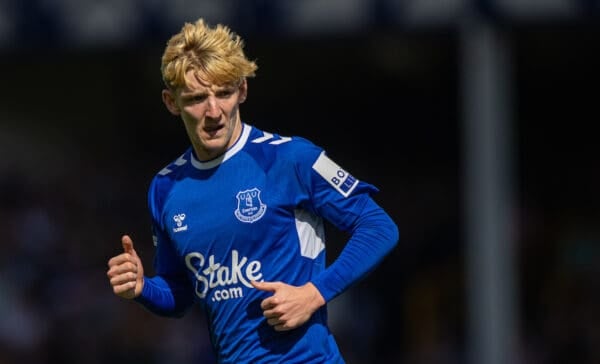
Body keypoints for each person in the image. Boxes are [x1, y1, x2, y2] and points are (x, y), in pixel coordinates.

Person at [106, 17, 399, 364]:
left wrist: (314, 293)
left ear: (242, 90)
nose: (214, 111)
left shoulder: (291, 158)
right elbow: (180, 293)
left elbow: (378, 227)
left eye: (224, 93)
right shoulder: (165, 188)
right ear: (172, 102)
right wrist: (143, 288)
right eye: (198, 98)